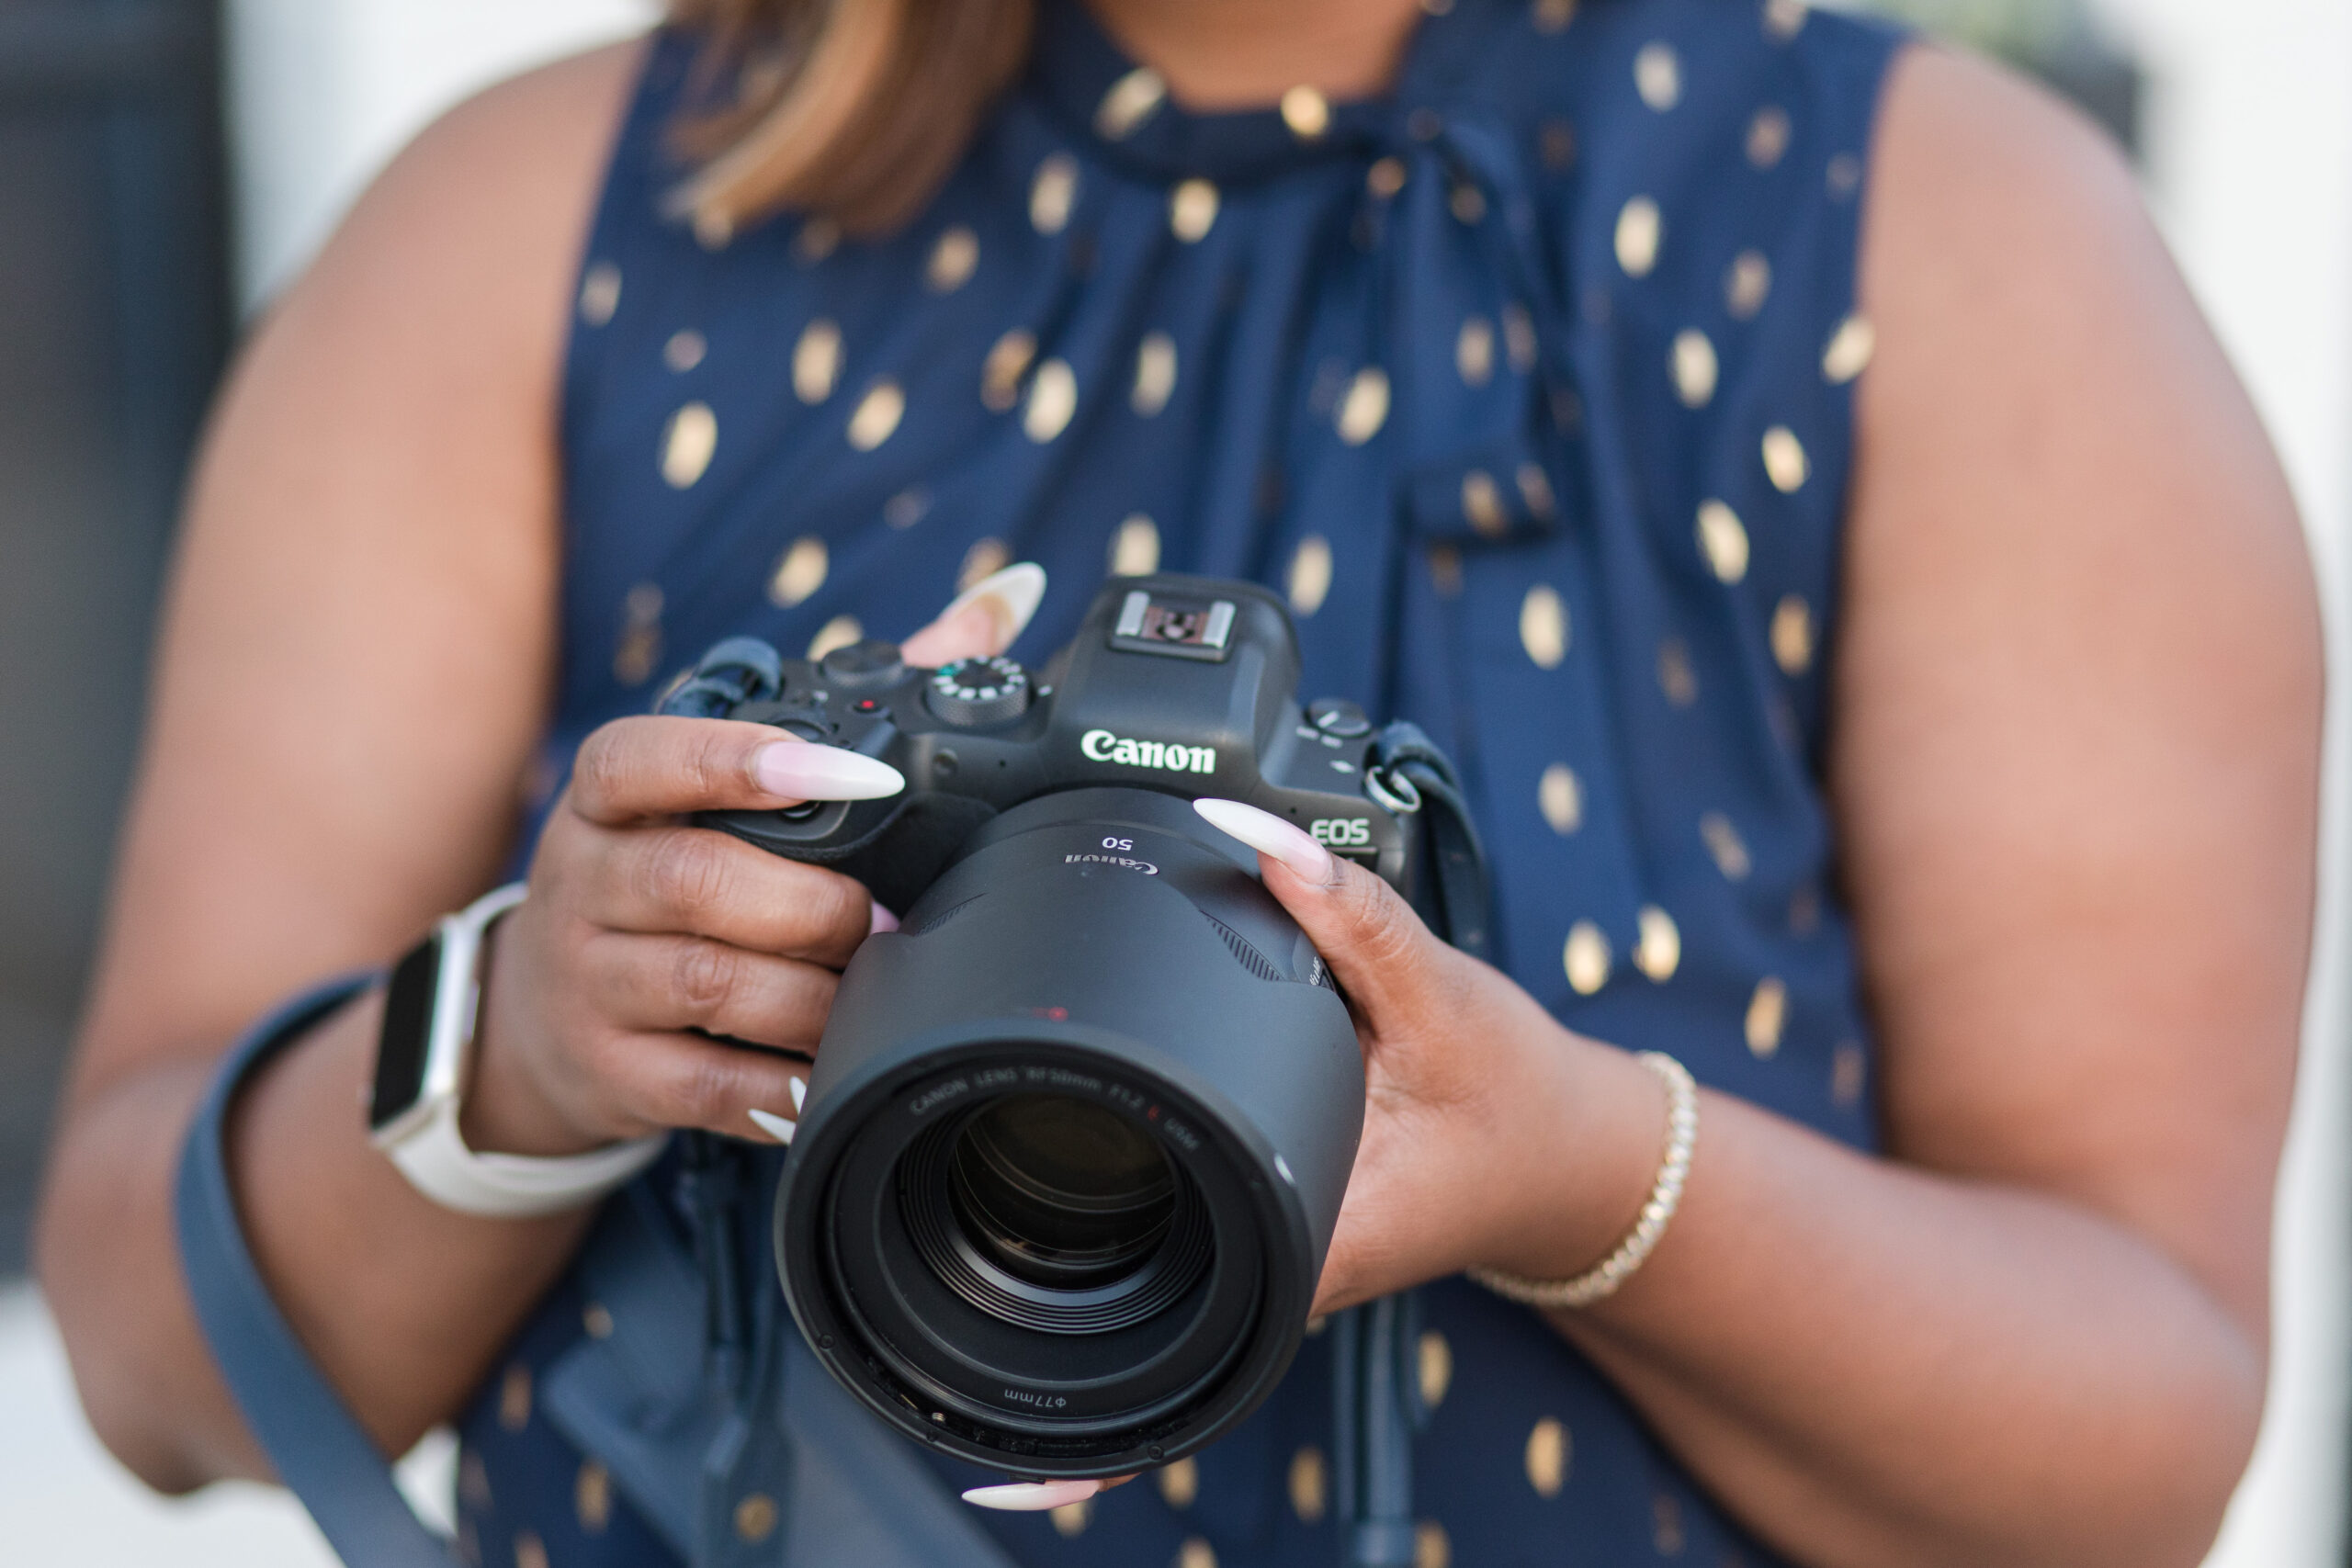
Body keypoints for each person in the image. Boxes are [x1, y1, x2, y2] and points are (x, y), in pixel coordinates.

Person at [37, 0, 2319, 1564]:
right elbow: (152, 1358)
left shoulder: (1947, 245)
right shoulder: (527, 226)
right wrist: (525, 1041)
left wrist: (1574, 1172)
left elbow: (2125, 1460)